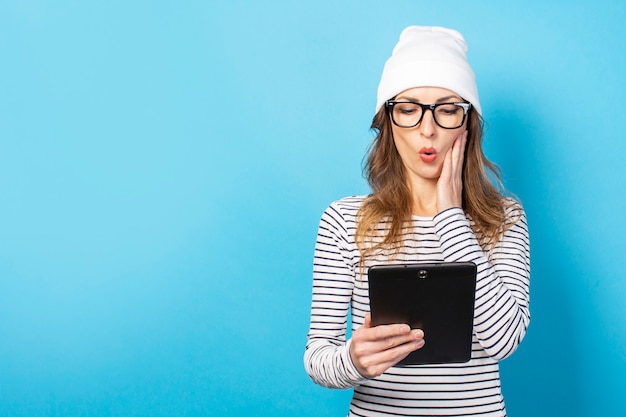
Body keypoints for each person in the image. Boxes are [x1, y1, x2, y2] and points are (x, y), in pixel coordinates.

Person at [303, 26, 530, 417]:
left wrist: (450, 216)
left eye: (446, 109)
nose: (427, 130)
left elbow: (504, 341)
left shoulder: (505, 218)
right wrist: (353, 361)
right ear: (388, 121)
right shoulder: (344, 220)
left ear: (467, 122)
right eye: (408, 109)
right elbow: (318, 357)